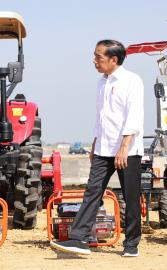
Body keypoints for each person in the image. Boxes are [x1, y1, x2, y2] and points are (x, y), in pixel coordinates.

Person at [50, 39, 144, 257]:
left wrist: (124, 147)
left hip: (127, 150)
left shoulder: (132, 81)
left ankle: (131, 245)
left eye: (98, 57)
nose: (94, 61)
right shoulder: (102, 82)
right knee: (92, 192)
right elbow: (101, 117)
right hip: (103, 148)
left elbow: (134, 116)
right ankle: (78, 239)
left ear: (114, 59)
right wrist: (95, 142)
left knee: (130, 198)